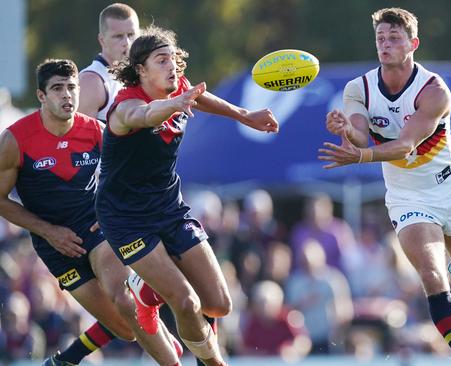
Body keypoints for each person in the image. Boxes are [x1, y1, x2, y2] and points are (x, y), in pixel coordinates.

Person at [95, 25, 279, 366]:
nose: (172, 68)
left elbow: (199, 96)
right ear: (140, 70)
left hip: (169, 207)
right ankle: (214, 362)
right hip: (126, 219)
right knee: (185, 302)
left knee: (219, 305)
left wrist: (245, 115)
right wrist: (175, 103)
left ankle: (146, 291)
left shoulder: (175, 86)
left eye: (174, 60)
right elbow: (145, 115)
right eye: (162, 61)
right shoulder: (124, 107)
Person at [318, 8, 451, 366]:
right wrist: (347, 130)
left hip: (450, 189)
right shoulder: (357, 88)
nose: (385, 44)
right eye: (380, 38)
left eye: (394, 38)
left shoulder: (434, 90)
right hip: (407, 197)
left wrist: (360, 157)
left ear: (413, 44)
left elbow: (405, 145)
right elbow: (362, 133)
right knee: (432, 274)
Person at [0, 59, 182, 366]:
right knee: (125, 329)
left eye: (72, 88)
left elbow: (131, 177)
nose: (67, 95)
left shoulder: (98, 131)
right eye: (57, 89)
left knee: (126, 302)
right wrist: (48, 231)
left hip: (97, 229)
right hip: (53, 244)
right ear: (41, 96)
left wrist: (114, 212)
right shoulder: (15, 139)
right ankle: (74, 356)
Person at [78, 3, 139, 121]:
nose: (127, 42)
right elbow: (81, 137)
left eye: (131, 35)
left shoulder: (139, 75)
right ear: (102, 40)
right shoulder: (91, 81)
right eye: (118, 36)